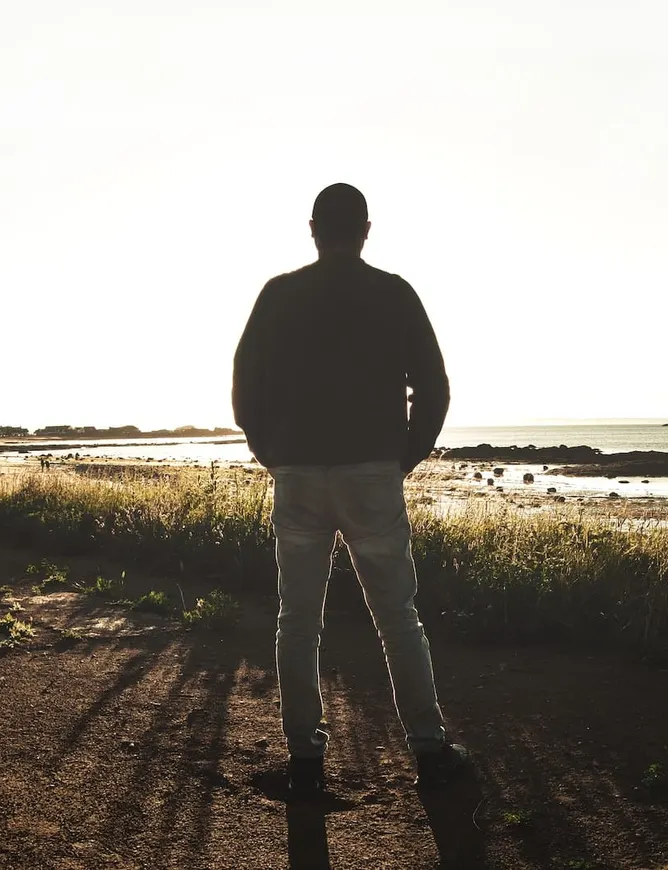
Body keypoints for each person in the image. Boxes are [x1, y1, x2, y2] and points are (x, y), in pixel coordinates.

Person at [232, 183, 467, 797]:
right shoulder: (394, 293)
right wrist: (402, 458)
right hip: (371, 472)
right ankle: (429, 748)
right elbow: (435, 389)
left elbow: (244, 389)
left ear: (313, 228)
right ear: (365, 229)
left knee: (298, 620)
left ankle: (305, 758)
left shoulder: (278, 295)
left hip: (299, 474)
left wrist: (272, 454)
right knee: (397, 616)